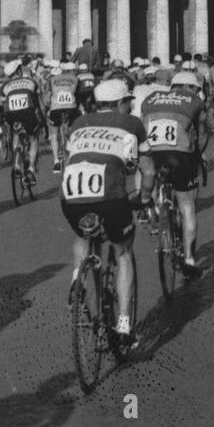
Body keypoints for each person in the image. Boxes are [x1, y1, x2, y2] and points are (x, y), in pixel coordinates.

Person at [61, 77, 145, 343]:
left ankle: (78, 278)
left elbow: (69, 156)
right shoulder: (131, 124)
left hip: (71, 194)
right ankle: (123, 325)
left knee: (83, 235)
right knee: (123, 251)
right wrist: (145, 196)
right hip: (109, 194)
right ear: (121, 103)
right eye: (127, 102)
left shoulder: (78, 123)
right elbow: (140, 167)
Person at [138, 69, 207, 275]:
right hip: (179, 155)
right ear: (188, 87)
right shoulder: (195, 101)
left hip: (152, 152)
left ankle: (157, 207)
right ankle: (189, 259)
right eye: (195, 89)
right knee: (187, 205)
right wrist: (196, 156)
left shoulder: (150, 98)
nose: (197, 92)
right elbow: (202, 134)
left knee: (153, 173)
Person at [1, 59, 45, 183]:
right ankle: (31, 168)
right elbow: (39, 104)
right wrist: (43, 119)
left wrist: (4, 121)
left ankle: (15, 163)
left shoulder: (5, 87)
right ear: (19, 70)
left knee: (16, 133)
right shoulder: (30, 82)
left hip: (11, 114)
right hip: (28, 113)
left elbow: (3, 106)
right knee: (33, 138)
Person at [46, 61, 81, 172]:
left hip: (56, 108)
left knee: (54, 134)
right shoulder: (76, 79)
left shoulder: (52, 79)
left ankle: (56, 161)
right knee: (73, 129)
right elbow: (78, 96)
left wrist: (48, 108)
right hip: (71, 108)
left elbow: (48, 97)